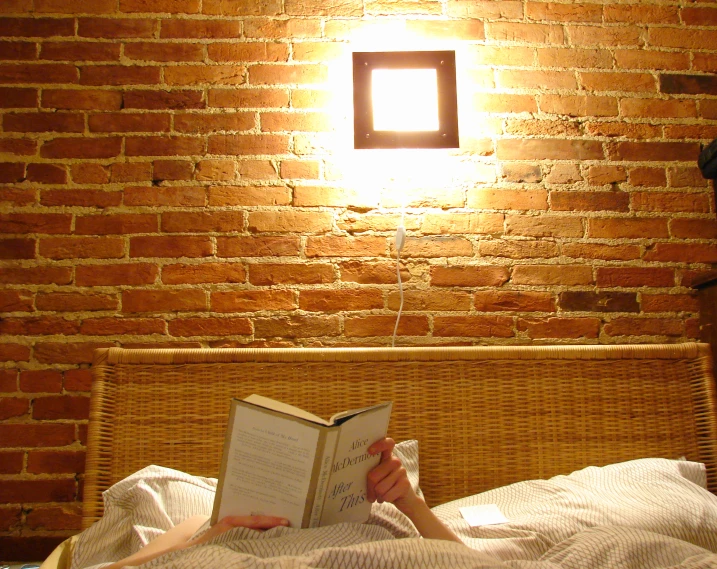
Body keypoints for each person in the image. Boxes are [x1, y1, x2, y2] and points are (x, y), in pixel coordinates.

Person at [104, 437, 462, 569]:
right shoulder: (201, 523)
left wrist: (411, 505)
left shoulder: (383, 516)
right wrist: (211, 536)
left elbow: (464, 562)